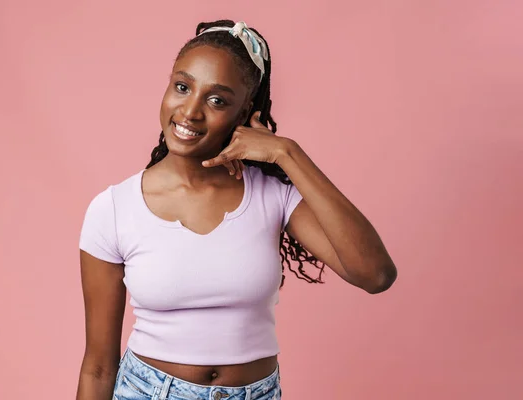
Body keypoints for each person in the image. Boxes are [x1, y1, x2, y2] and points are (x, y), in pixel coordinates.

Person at [76, 19, 397, 400]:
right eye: (182, 87)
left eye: (217, 100)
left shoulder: (272, 196)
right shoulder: (113, 209)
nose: (191, 111)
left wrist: (287, 152)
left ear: (245, 112)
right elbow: (98, 365)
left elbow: (375, 274)